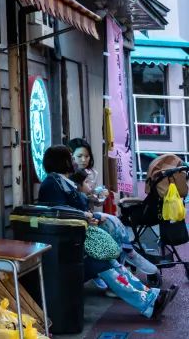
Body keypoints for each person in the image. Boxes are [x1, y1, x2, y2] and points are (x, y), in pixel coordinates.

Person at [38, 145, 175, 320]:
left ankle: (150, 297)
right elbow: (58, 211)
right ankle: (148, 303)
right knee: (106, 264)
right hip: (68, 247)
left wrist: (88, 215)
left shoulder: (59, 181)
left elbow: (66, 210)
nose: (73, 160)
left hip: (74, 241)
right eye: (70, 157)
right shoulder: (52, 183)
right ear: (62, 161)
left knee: (112, 264)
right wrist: (86, 215)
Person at [67, 137, 158, 278]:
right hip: (81, 219)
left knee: (115, 222)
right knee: (112, 224)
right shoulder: (68, 176)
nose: (84, 160)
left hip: (89, 214)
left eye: (87, 156)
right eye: (79, 156)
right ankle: (122, 262)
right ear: (70, 157)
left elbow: (94, 200)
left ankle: (125, 258)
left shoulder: (91, 173)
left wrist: (99, 196)